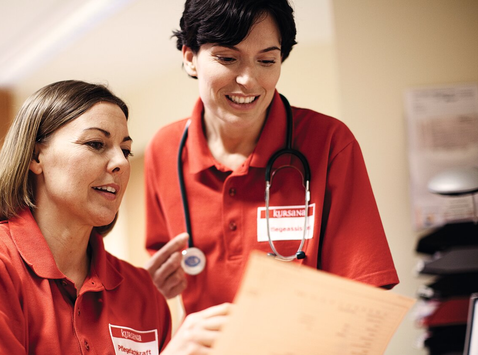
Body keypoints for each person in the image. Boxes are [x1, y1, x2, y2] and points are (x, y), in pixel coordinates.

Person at [0, 80, 230, 355]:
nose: (119, 162)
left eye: (126, 150)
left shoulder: (142, 292)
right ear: (36, 157)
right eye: (96, 144)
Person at [144, 0, 400, 317]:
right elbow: (159, 274)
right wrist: (151, 288)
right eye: (227, 58)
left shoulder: (329, 142)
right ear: (190, 58)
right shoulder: (164, 149)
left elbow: (364, 291)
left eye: (266, 60)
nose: (248, 80)